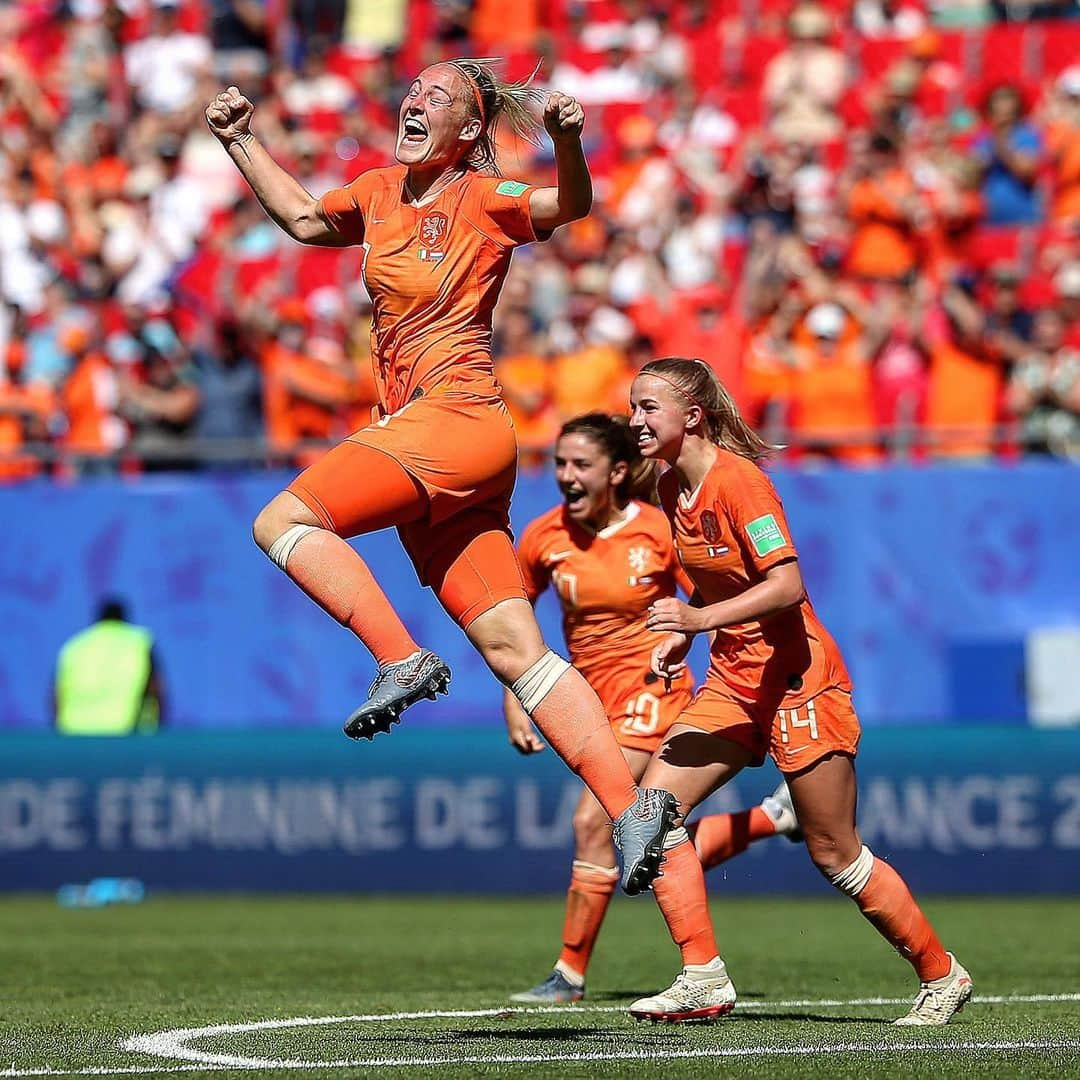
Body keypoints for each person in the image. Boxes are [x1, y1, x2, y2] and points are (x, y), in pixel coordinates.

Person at [205, 62, 679, 892]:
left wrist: (568, 141)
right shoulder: (380, 189)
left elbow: (569, 206)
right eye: (413, 91)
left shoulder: (483, 196)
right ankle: (633, 807)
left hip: (453, 421)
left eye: (439, 97)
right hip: (447, 445)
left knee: (283, 524)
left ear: (468, 131)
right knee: (515, 650)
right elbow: (308, 220)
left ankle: (400, 659)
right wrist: (240, 139)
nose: (415, 101)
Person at [623, 357, 972, 1025]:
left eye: (647, 407)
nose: (634, 420)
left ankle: (941, 974)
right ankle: (702, 977)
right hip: (735, 677)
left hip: (796, 680)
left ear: (691, 417)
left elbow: (785, 584)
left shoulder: (740, 484)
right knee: (647, 813)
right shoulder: (672, 488)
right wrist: (690, 631)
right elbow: (723, 577)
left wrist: (695, 620)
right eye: (633, 407)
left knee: (834, 851)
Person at [506, 413, 801, 1004]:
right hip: (585, 703)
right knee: (652, 833)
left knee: (595, 821)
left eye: (580, 464)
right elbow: (508, 621)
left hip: (653, 694)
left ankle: (569, 974)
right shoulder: (543, 538)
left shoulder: (658, 530)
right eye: (559, 463)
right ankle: (772, 818)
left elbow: (713, 587)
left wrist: (703, 640)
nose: (566, 475)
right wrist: (516, 698)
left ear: (617, 472)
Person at [54, 598, 163, 735]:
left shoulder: (74, 646)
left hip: (74, 733)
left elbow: (56, 697)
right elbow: (156, 690)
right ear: (125, 620)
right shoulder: (140, 642)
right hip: (124, 735)